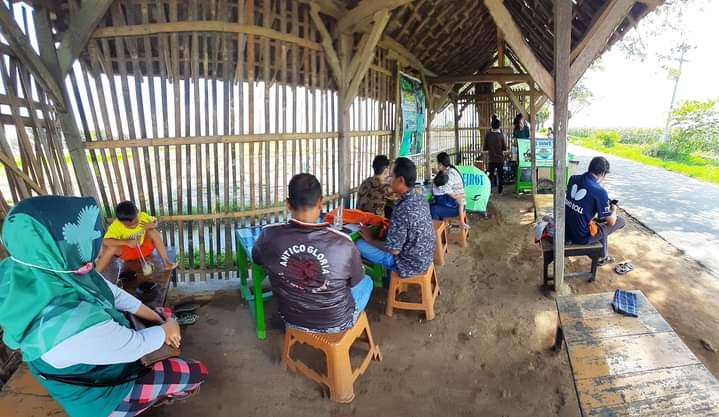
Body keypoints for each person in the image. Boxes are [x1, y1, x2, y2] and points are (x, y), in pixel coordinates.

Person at [0, 196, 207, 417]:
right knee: (196, 373)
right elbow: (136, 345)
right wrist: (168, 327)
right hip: (102, 396)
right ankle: (152, 398)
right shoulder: (68, 323)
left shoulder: (44, 269)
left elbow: (114, 294)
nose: (96, 250)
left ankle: (154, 388)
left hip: (97, 363)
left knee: (160, 314)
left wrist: (158, 320)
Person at [252, 173, 373, 333]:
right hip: (335, 324)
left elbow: (257, 259)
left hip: (290, 318)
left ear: (287, 204)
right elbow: (355, 281)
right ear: (320, 203)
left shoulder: (269, 235)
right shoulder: (343, 242)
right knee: (367, 281)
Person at [356, 158, 435, 278]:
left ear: (401, 180)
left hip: (408, 265)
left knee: (359, 244)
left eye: (391, 176)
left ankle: (381, 278)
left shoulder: (402, 209)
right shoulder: (420, 198)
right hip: (426, 257)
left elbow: (394, 250)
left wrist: (371, 240)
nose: (388, 179)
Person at [565, 156, 625, 265]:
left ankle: (602, 256)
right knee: (619, 221)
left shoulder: (573, 178)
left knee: (600, 223)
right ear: (602, 173)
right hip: (580, 237)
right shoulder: (600, 192)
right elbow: (611, 222)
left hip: (566, 229)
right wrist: (613, 210)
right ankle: (600, 257)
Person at [96, 201, 176, 273]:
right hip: (127, 254)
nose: (134, 226)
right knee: (111, 247)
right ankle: (95, 274)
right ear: (120, 221)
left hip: (144, 249)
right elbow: (105, 241)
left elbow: (155, 222)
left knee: (152, 232)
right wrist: (127, 242)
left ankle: (166, 263)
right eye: (129, 226)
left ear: (138, 212)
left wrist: (152, 225)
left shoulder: (142, 216)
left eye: (136, 222)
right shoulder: (116, 225)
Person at [429, 152, 469, 228]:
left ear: (440, 164)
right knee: (431, 204)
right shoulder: (448, 170)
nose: (436, 165)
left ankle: (438, 231)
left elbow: (450, 193)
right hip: (454, 202)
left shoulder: (449, 174)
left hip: (456, 207)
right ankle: (440, 228)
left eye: (437, 163)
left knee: (433, 209)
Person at [483, 116, 508, 194]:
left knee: (491, 175)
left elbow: (485, 147)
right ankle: (500, 191)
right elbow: (504, 148)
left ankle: (489, 191)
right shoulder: (501, 135)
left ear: (492, 126)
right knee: (500, 175)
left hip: (491, 159)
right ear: (499, 126)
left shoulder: (488, 135)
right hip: (500, 159)